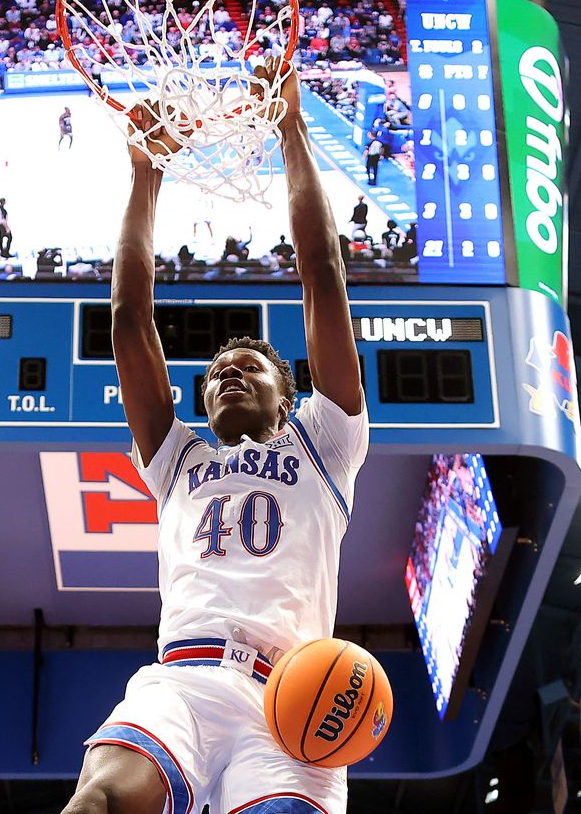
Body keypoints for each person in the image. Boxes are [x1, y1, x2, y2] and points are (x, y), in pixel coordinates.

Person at [63, 57, 367, 814]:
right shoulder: (177, 459)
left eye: (249, 367)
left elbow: (321, 273)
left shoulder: (325, 443)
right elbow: (129, 321)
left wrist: (290, 123)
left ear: (286, 393)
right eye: (214, 373)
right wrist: (146, 173)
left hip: (293, 696)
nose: (227, 374)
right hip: (183, 684)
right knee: (99, 799)